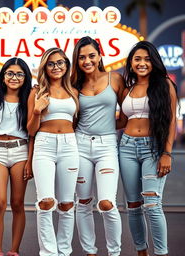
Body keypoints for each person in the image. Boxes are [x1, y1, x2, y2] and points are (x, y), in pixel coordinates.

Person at [118, 41, 177, 256]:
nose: (142, 63)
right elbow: (121, 121)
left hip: (153, 148)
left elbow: (170, 121)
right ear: (131, 63)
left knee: (152, 204)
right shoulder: (128, 89)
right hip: (126, 147)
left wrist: (167, 153)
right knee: (133, 205)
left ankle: (161, 253)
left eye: (147, 59)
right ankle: (141, 252)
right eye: (137, 59)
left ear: (154, 62)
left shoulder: (164, 85)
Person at [70, 36, 124, 256]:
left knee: (106, 202)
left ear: (100, 56)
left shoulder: (115, 79)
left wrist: (109, 128)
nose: (87, 60)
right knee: (82, 202)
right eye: (82, 57)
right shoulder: (73, 83)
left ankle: (114, 252)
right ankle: (90, 252)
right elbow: (71, 118)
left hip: (107, 147)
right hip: (80, 145)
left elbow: (128, 113)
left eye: (91, 55)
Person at [27, 47, 79, 256]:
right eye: (51, 63)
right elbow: (30, 130)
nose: (56, 67)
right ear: (45, 67)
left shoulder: (74, 92)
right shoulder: (36, 91)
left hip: (69, 144)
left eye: (60, 63)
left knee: (67, 203)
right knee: (46, 202)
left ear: (66, 65)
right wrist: (38, 110)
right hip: (44, 145)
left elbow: (76, 122)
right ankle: (48, 252)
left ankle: (64, 251)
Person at [0, 57, 33, 256]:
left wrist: (30, 160)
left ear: (25, 77)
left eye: (19, 74)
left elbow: (32, 133)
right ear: (3, 77)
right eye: (10, 73)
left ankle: (14, 250)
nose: (14, 77)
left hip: (21, 151)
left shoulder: (29, 100)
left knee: (18, 203)